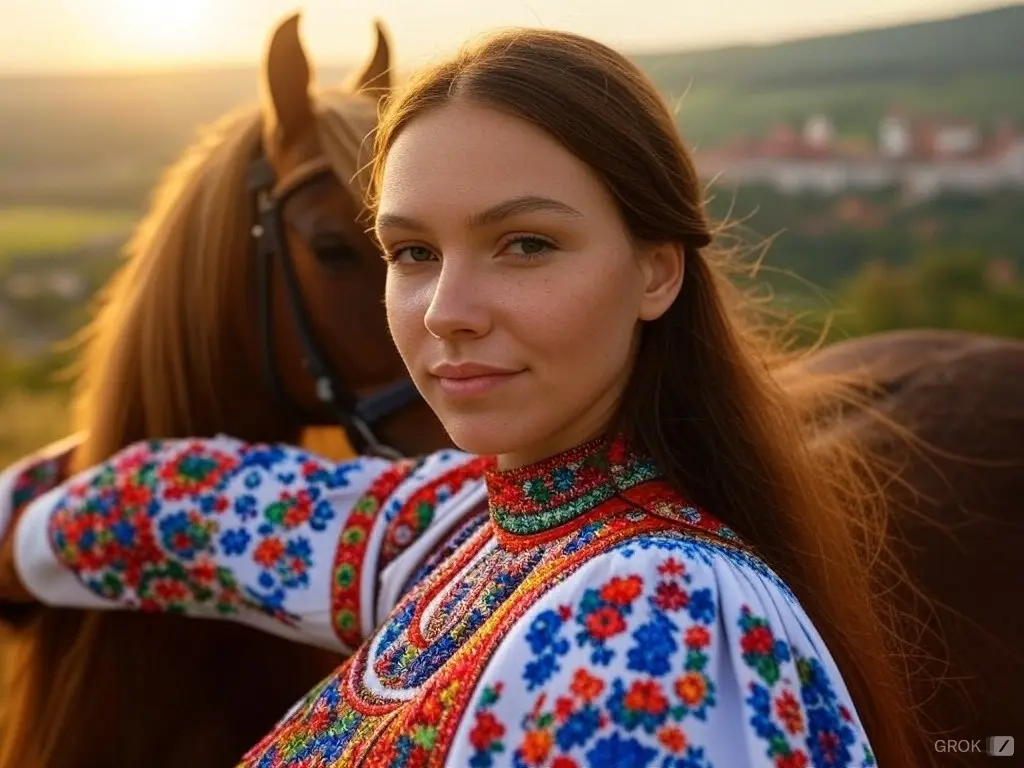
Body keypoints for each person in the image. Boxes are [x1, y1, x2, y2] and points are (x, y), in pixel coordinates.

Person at [0, 27, 920, 767]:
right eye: (412, 253)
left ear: (655, 271)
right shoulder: (460, 527)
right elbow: (187, 508)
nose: (446, 314)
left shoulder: (651, 620)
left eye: (525, 243)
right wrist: (15, 519)